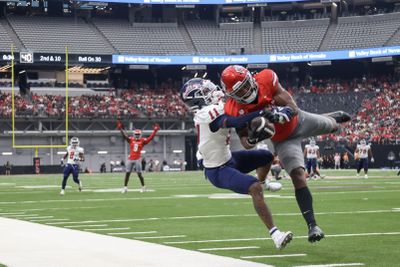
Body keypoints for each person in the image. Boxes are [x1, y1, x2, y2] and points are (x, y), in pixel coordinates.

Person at [221, 65, 351, 243]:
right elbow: (245, 142)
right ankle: (313, 225)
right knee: (297, 174)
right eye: (240, 90)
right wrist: (253, 139)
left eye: (246, 84)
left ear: (251, 78)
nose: (246, 90)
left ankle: (329, 117)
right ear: (231, 94)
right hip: (283, 140)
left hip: (300, 121)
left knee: (334, 126)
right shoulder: (233, 108)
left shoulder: (266, 78)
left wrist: (284, 114)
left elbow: (292, 106)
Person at [181, 78, 293, 250]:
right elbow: (237, 122)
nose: (213, 92)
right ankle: (275, 234)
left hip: (229, 159)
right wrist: (264, 112)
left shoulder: (214, 108)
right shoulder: (206, 114)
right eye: (205, 92)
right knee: (254, 188)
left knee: (266, 157)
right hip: (218, 170)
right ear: (197, 99)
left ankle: (264, 182)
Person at [117, 120, 159, 193]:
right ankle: (125, 187)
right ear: (134, 134)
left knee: (139, 174)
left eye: (138, 134)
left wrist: (154, 131)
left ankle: (143, 187)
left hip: (137, 159)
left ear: (140, 135)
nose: (136, 135)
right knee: (127, 174)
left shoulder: (142, 141)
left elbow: (150, 138)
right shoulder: (131, 140)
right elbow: (125, 136)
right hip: (130, 159)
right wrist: (120, 129)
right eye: (136, 134)